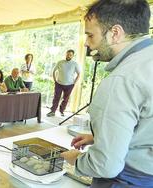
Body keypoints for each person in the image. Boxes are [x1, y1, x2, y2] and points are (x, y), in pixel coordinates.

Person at [61, 0, 153, 187]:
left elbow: (106, 165)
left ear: (115, 33)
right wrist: (100, 136)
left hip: (129, 179)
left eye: (90, 35)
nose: (87, 43)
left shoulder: (121, 80)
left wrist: (76, 160)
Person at [47, 50, 80, 117]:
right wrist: (55, 80)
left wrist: (74, 83)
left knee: (66, 99)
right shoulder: (60, 62)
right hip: (59, 84)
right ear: (66, 54)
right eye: (67, 54)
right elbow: (54, 71)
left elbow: (79, 74)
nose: (68, 56)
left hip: (69, 85)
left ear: (73, 56)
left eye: (70, 55)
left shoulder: (74, 64)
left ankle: (62, 111)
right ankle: (53, 111)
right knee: (56, 97)